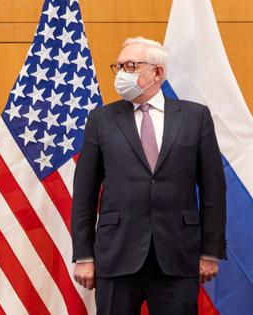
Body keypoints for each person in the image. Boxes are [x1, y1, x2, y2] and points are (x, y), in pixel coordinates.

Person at [71, 37, 227, 314]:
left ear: (157, 72)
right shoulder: (100, 119)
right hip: (116, 255)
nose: (121, 74)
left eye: (131, 66)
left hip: (178, 256)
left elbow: (214, 190)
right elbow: (84, 193)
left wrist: (210, 251)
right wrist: (83, 255)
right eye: (118, 67)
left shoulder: (195, 117)